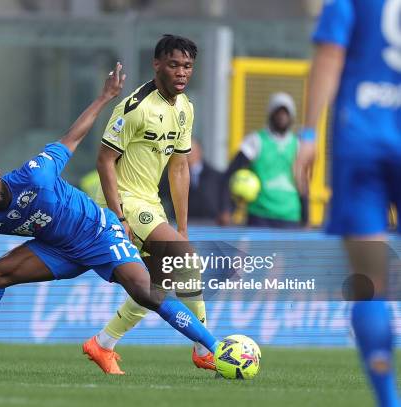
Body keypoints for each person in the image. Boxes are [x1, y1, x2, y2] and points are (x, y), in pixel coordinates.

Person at [0, 63, 220, 372]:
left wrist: (104, 97)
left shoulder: (36, 174)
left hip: (98, 232)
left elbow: (72, 137)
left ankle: (214, 348)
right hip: (57, 250)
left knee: (146, 292)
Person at [82, 35, 214, 375]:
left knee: (157, 283)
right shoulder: (135, 107)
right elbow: (104, 161)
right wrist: (118, 215)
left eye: (187, 66)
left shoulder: (185, 108)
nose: (182, 72)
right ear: (157, 64)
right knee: (184, 259)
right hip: (123, 200)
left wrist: (182, 227)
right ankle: (206, 347)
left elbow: (180, 167)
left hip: (151, 204)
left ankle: (103, 343)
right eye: (174, 64)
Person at [294, 1, 400, 406]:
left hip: (362, 138)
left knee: (370, 285)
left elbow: (330, 53)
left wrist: (308, 135)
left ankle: (389, 400)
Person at [218, 92, 308, 228]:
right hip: (260, 215)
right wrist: (226, 209)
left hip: (290, 216)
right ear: (271, 114)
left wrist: (306, 218)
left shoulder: (298, 145)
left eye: (286, 113)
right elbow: (231, 174)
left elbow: (303, 183)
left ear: (291, 117)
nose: (282, 117)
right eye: (278, 112)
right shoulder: (255, 141)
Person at [159, 140, 224, 221]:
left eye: (189, 152)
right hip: (180, 221)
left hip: (210, 222)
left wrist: (225, 211)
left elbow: (224, 196)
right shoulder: (171, 173)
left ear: (199, 152)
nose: (187, 155)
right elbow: (161, 193)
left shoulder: (216, 176)